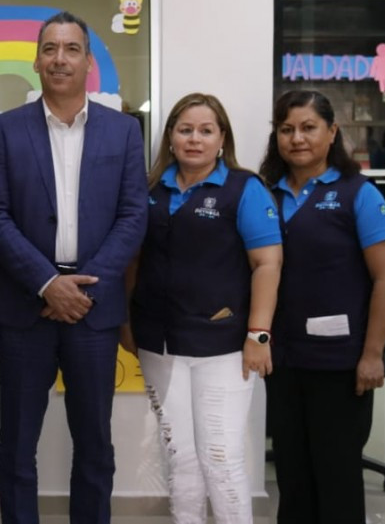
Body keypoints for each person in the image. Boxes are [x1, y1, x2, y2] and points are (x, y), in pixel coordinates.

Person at [0, 11, 148, 524]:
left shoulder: (123, 131)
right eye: (49, 48)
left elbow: (133, 215)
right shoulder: (5, 129)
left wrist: (83, 289)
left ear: (88, 61)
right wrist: (47, 283)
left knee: (95, 444)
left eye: (71, 48)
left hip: (94, 311)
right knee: (17, 446)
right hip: (26, 308)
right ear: (36, 61)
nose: (60, 58)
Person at [125, 93, 282, 524]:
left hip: (224, 345)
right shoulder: (149, 189)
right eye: (185, 130)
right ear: (170, 137)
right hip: (159, 343)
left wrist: (259, 335)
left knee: (221, 457)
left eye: (205, 130)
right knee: (181, 456)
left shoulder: (245, 189)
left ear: (221, 138)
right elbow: (132, 261)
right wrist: (125, 320)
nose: (195, 139)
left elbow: (267, 264)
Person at [258, 90, 385, 524]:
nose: (297, 138)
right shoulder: (264, 194)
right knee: (293, 476)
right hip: (283, 360)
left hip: (340, 362)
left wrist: (372, 354)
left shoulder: (359, 194)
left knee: (337, 478)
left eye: (308, 128)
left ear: (332, 132)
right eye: (286, 129)